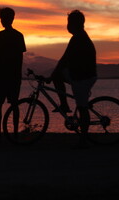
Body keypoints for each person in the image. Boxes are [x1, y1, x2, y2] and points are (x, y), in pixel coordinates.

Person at [48, 10, 97, 148]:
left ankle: (83, 140)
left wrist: (51, 76)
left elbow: (65, 59)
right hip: (80, 74)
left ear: (76, 24)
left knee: (82, 108)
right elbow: (67, 59)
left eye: (69, 23)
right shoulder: (79, 36)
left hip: (83, 77)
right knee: (58, 75)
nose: (67, 26)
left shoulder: (78, 38)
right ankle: (64, 105)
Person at [0, 7, 26, 141]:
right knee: (7, 105)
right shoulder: (15, 35)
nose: (2, 21)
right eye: (2, 19)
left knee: (7, 105)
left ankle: (6, 134)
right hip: (8, 75)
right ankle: (4, 134)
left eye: (4, 18)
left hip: (8, 75)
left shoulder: (8, 36)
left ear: (10, 19)